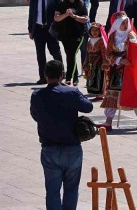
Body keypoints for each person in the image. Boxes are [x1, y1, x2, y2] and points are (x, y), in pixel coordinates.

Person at [30, 60, 93, 210]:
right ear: (62, 75)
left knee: (52, 191)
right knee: (71, 189)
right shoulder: (70, 92)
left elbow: (35, 115)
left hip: (49, 147)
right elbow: (88, 107)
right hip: (71, 147)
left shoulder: (37, 95)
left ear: (45, 75)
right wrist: (74, 90)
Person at [99, 13, 137, 130]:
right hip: (117, 68)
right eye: (123, 23)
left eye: (127, 22)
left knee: (134, 93)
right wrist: (119, 60)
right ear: (117, 24)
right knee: (113, 93)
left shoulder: (131, 35)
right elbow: (108, 54)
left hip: (130, 68)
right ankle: (108, 121)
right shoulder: (112, 36)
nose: (126, 25)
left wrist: (133, 47)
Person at [28, 0, 63, 84]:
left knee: (56, 53)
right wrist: (30, 29)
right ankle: (43, 77)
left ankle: (61, 75)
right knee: (40, 55)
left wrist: (58, 29)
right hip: (38, 29)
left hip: (51, 29)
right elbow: (31, 15)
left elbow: (59, 13)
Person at [54, 0, 89, 85]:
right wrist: (65, 14)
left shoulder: (81, 4)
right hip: (65, 34)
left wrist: (74, 16)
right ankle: (76, 77)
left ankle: (68, 78)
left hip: (78, 34)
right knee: (70, 55)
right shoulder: (62, 4)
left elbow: (86, 19)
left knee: (71, 54)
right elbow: (56, 18)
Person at [84, 23, 107, 95]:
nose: (94, 32)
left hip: (99, 62)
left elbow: (104, 52)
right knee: (91, 75)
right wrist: (86, 63)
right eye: (92, 30)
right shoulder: (89, 40)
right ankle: (91, 90)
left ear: (100, 31)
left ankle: (99, 91)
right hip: (91, 62)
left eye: (96, 30)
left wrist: (104, 63)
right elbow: (87, 53)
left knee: (98, 76)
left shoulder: (101, 41)